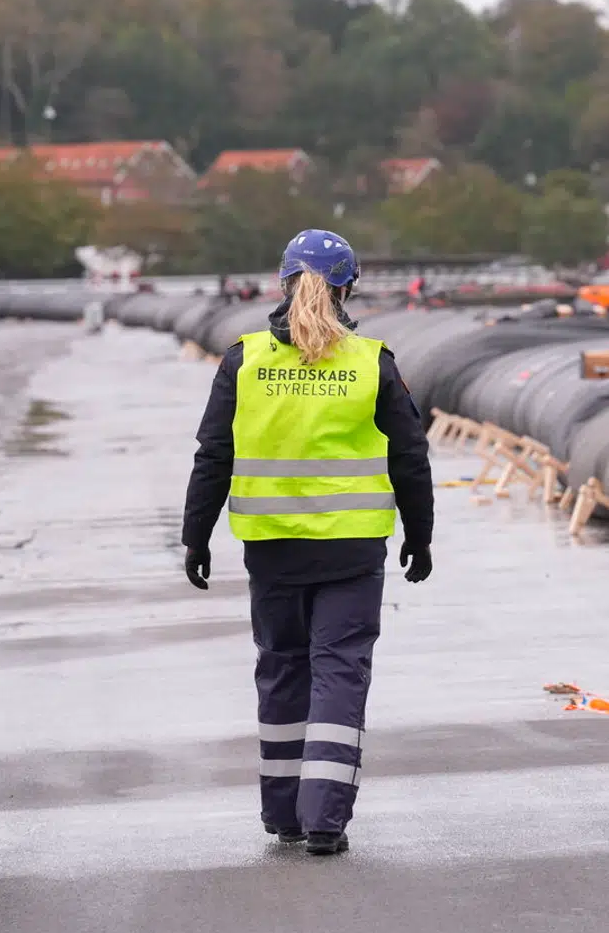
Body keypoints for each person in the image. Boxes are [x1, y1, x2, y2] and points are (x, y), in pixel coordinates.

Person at [181, 229, 435, 857]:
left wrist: (195, 536)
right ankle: (325, 821)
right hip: (352, 552)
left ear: (283, 282)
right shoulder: (371, 362)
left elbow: (214, 454)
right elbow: (410, 454)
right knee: (339, 674)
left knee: (282, 671)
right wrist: (420, 535)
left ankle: (284, 816)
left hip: (273, 551)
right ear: (349, 288)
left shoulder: (244, 361)